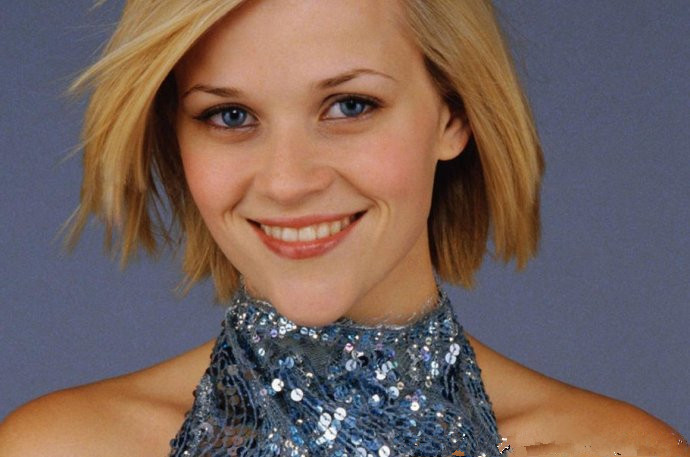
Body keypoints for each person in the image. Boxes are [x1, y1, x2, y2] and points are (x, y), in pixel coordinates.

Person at [0, 1, 687, 456]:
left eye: (350, 106)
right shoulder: (60, 448)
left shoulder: (621, 451)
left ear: (453, 115)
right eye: (230, 116)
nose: (287, 180)